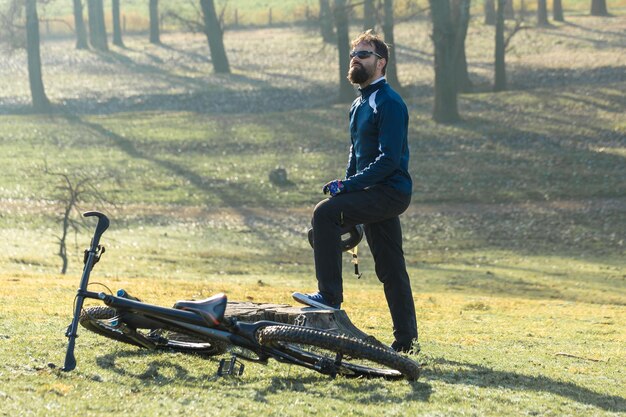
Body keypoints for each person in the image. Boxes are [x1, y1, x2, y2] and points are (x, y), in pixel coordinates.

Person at [292, 31, 418, 353]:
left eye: (363, 54)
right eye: (353, 54)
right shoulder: (358, 103)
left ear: (381, 62)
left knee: (324, 213)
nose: (356, 59)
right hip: (371, 193)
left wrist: (348, 188)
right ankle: (407, 342)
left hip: (389, 192)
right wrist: (344, 190)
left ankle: (329, 297)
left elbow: (389, 160)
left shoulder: (389, 102)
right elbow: (356, 153)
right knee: (390, 267)